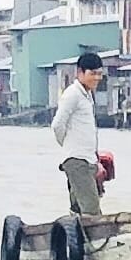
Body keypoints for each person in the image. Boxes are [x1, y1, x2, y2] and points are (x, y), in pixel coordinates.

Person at [50, 49, 113, 215]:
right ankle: (97, 241)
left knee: (77, 209)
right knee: (92, 211)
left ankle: (75, 241)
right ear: (80, 72)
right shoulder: (72, 94)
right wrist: (70, 148)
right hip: (77, 161)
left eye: (100, 74)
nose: (97, 78)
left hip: (88, 160)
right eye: (93, 73)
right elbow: (57, 125)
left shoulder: (87, 95)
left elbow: (86, 131)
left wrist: (96, 161)